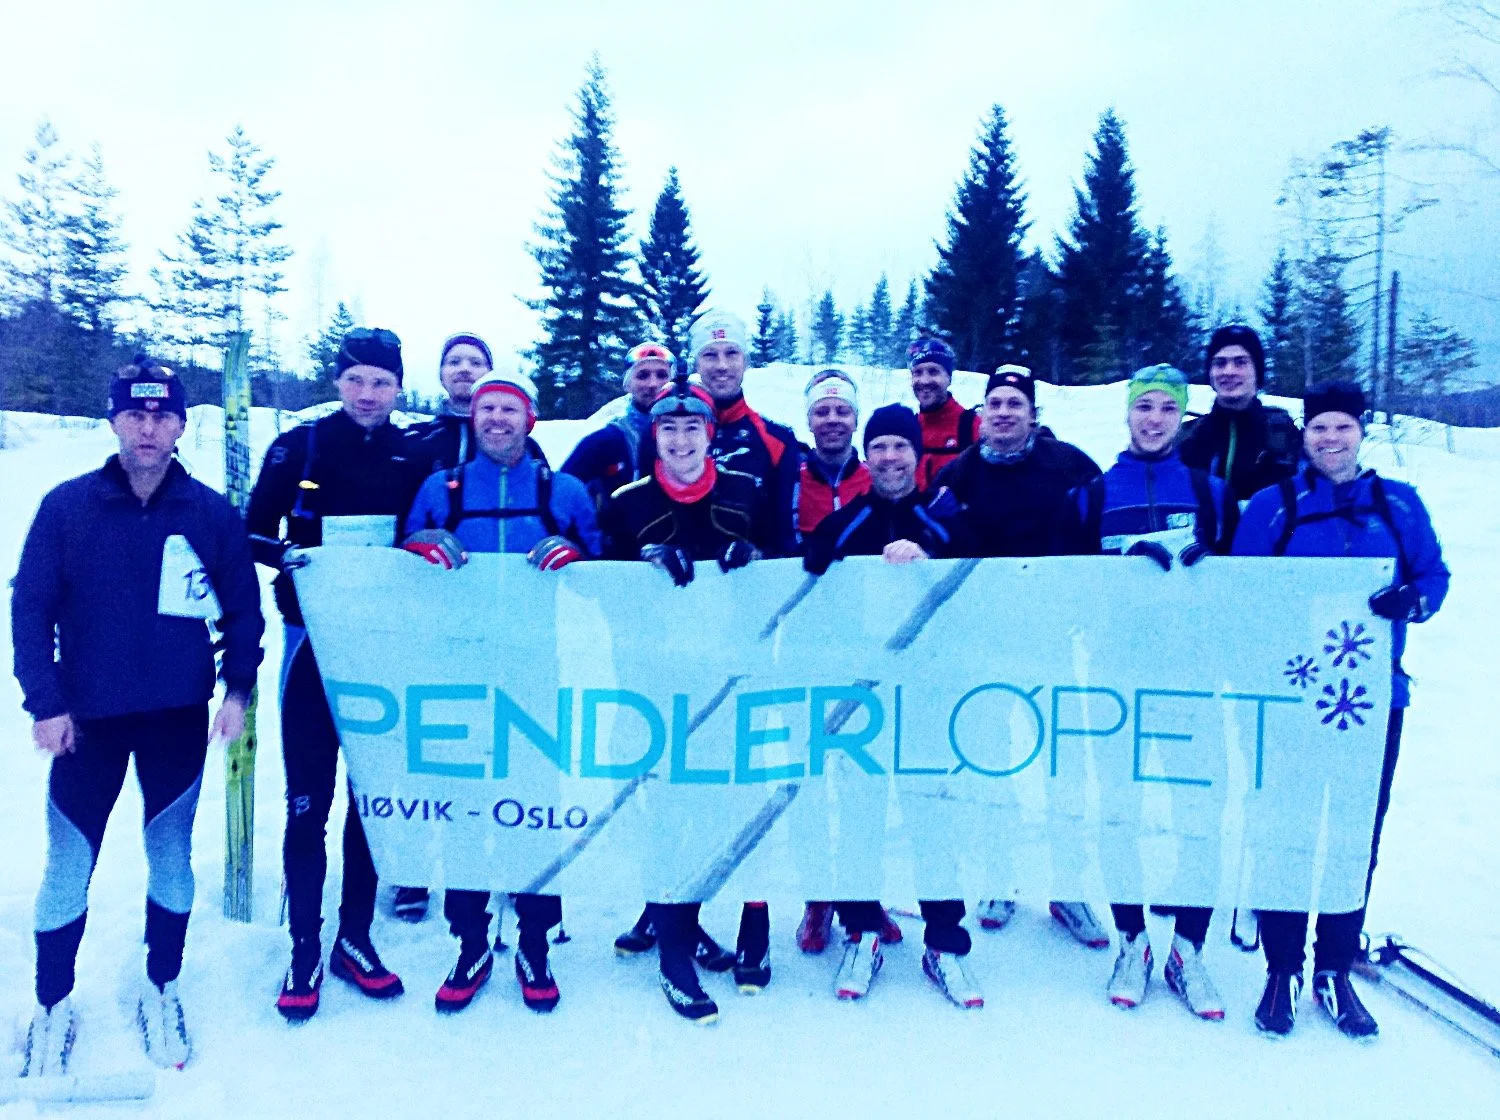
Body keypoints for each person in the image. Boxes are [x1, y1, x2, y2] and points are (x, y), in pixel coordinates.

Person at [13, 358, 264, 1074]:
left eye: (162, 417)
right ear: (115, 420)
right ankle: (52, 1002)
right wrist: (46, 702)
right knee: (68, 864)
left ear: (182, 425)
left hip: (175, 719)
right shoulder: (68, 507)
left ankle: (163, 986)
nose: (148, 429)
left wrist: (238, 690)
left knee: (170, 858)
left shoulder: (209, 512)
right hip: (85, 723)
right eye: (135, 414)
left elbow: (243, 610)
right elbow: (30, 607)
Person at [1233, 381, 1449, 1039]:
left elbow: (1434, 577)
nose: (1330, 439)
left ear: (1361, 433)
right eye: (1319, 428)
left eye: (1342, 428)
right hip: (1293, 699)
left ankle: (1334, 964)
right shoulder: (1274, 507)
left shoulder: (1399, 505)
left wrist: (1410, 600)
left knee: (1354, 836)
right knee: (1286, 830)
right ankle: (1281, 968)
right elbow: (1241, 592)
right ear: (1304, 436)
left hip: (1371, 702)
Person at [247, 327, 431, 1022]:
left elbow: (426, 534)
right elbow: (252, 531)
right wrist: (290, 560)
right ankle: (304, 944)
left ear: (396, 387)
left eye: (381, 381)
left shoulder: (411, 454)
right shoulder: (301, 446)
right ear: (338, 381)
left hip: (382, 654)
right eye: (356, 379)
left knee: (370, 799)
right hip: (310, 650)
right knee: (308, 800)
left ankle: (354, 936)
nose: (368, 393)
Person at [401, 370, 600, 1014]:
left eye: (508, 409)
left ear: (530, 420)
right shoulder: (442, 487)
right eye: (486, 408)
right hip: (459, 673)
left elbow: (607, 575)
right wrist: (421, 545)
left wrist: (575, 553)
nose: (495, 419)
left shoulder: (563, 489)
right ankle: (470, 940)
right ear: (472, 417)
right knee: (465, 808)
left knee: (534, 806)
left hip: (535, 671)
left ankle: (536, 940)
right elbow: (400, 569)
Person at [601, 375, 777, 1024]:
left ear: (710, 434)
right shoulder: (626, 502)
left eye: (692, 428)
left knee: (724, 809)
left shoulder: (746, 491)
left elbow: (791, 573)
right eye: (668, 429)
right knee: (669, 813)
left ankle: (691, 918)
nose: (680, 439)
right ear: (654, 438)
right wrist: (638, 565)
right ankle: (673, 950)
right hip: (654, 686)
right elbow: (595, 588)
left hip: (732, 682)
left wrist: (755, 553)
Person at [1067, 364, 1236, 1020]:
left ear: (1181, 416)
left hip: (1190, 680)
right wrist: (1117, 578)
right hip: (1115, 680)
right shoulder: (1090, 496)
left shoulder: (1211, 493)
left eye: (1168, 408)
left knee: (1202, 811)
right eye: (1145, 408)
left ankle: (1187, 948)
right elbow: (1065, 593)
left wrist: (1209, 575)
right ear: (1128, 415)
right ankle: (1132, 940)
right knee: (1119, 810)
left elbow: (1248, 592)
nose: (1155, 418)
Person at [802, 404, 983, 1009]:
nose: (887, 458)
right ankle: (860, 931)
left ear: (916, 454)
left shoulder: (948, 515)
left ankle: (946, 942)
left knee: (934, 817)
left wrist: (930, 562)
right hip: (866, 704)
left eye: (899, 447)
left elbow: (982, 583)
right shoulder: (847, 521)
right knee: (858, 814)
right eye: (877, 447)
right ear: (866, 453)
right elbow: (812, 582)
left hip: (931, 696)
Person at [935, 365, 1110, 946]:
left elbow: (1099, 539)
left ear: (1033, 414)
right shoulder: (957, 474)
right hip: (982, 645)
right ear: (981, 414)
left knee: (1062, 762)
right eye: (995, 403)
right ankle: (1000, 876)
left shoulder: (1070, 466)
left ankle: (1068, 887)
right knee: (990, 762)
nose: (1004, 412)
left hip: (1052, 642)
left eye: (1016, 403)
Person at [393, 331, 494, 922]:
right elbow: (402, 525)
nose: (464, 371)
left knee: (491, 740)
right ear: (440, 375)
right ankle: (412, 868)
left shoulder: (523, 444)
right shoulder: (418, 443)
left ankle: (496, 855)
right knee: (426, 742)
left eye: (474, 362)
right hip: (430, 615)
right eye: (453, 361)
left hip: (496, 620)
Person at [690, 309, 801, 556]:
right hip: (682, 585)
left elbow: (785, 537)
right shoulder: (666, 436)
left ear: (746, 361)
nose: (722, 365)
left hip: (750, 584)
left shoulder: (777, 440)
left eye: (732, 353)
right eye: (710, 355)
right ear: (696, 363)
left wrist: (759, 554)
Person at [1177, 324, 1302, 506]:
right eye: (1220, 363)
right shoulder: (1187, 438)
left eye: (1240, 362)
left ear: (1257, 372)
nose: (1229, 371)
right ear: (1210, 374)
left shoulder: (1285, 434)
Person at [561, 341, 675, 510]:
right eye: (642, 375)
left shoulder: (695, 433)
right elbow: (559, 495)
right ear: (627, 384)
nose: (653, 384)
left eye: (662, 375)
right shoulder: (605, 442)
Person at [795, 369, 870, 541]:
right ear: (809, 422)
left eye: (843, 411)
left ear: (856, 420)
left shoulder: (875, 480)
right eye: (821, 412)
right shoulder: (791, 482)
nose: (832, 420)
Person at [908, 337, 981, 492]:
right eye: (917, 373)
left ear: (949, 378)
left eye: (933, 372)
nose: (924, 380)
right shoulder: (909, 428)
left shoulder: (972, 427)